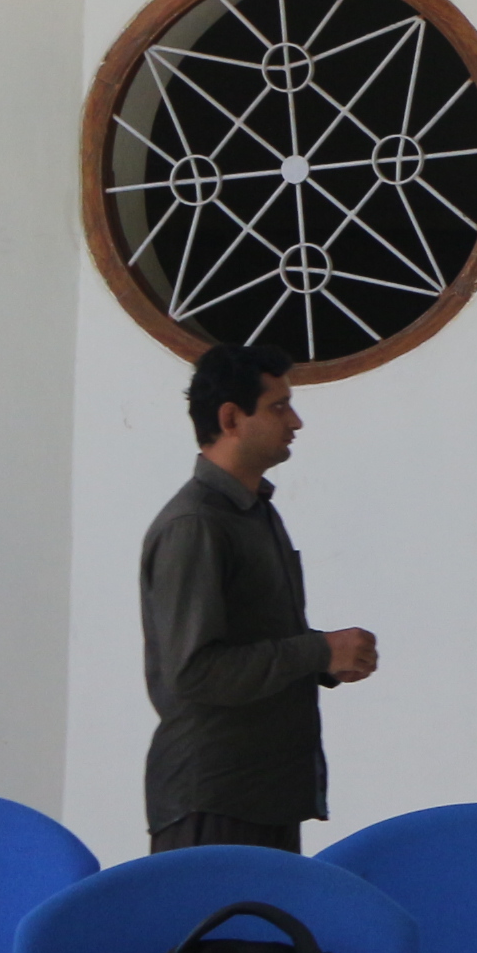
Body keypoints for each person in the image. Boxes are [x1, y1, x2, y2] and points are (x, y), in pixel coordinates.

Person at [139, 345, 378, 853]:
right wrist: (318, 652)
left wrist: (326, 660)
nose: (295, 422)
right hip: (213, 804)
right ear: (231, 419)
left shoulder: (253, 512)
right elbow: (195, 671)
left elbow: (253, 643)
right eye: (278, 407)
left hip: (262, 798)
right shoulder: (195, 524)